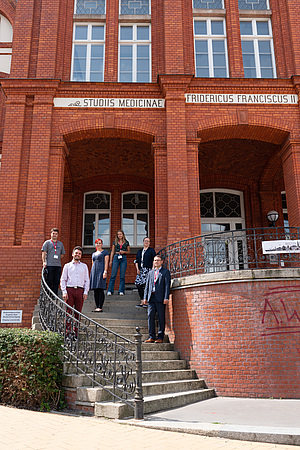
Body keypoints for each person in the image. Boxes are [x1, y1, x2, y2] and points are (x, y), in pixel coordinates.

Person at [60, 246, 89, 336]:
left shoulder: (84, 266)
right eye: (76, 253)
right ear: (73, 254)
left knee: (78, 312)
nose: (78, 255)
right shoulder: (67, 266)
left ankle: (75, 332)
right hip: (70, 290)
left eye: (79, 254)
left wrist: (85, 292)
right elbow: (63, 279)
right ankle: (68, 332)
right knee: (68, 312)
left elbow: (87, 280)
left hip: (80, 291)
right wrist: (64, 291)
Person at [143, 255, 171, 343]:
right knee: (150, 316)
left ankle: (160, 337)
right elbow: (147, 286)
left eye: (158, 260)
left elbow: (167, 286)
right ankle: (151, 336)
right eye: (155, 260)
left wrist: (166, 297)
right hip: (151, 297)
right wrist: (145, 297)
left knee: (161, 317)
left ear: (161, 262)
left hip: (160, 298)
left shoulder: (165, 272)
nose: (156, 262)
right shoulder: (150, 273)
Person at [41, 228, 66, 295]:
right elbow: (43, 253)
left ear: (58, 235)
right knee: (49, 280)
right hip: (49, 265)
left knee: (56, 281)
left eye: (56, 234)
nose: (54, 235)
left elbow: (62, 254)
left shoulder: (60, 244)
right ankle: (48, 294)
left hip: (58, 265)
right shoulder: (47, 243)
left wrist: (56, 258)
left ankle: (55, 294)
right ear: (51, 234)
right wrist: (44, 261)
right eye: (53, 233)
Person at [107, 230, 130, 296]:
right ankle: (110, 290)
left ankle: (121, 291)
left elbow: (129, 252)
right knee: (113, 275)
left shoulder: (126, 242)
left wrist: (124, 252)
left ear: (123, 235)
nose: (119, 235)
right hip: (116, 257)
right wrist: (110, 261)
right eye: (118, 234)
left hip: (123, 258)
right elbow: (112, 252)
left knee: (122, 276)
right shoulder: (115, 242)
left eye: (120, 234)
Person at [134, 237, 156, 307]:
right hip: (141, 270)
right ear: (143, 242)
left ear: (149, 243)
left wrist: (153, 269)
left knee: (147, 285)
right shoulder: (139, 251)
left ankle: (146, 301)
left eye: (148, 241)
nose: (146, 242)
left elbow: (154, 259)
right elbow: (136, 261)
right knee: (138, 284)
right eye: (145, 241)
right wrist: (137, 269)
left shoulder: (151, 250)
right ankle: (142, 300)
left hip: (148, 269)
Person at [89, 238, 109, 312]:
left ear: (102, 244)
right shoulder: (93, 254)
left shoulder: (105, 252)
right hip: (94, 271)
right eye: (97, 243)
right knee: (95, 289)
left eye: (100, 243)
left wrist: (105, 271)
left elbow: (106, 262)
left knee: (100, 288)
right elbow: (92, 263)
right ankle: (97, 306)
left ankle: (100, 306)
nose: (98, 244)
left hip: (101, 271)